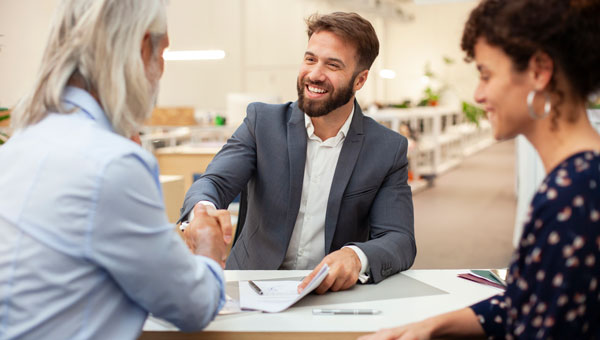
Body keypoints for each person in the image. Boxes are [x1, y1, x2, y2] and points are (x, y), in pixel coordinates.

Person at [359, 0, 600, 339]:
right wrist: (429, 327)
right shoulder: (579, 179)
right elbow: (522, 303)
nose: (478, 95)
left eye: (486, 75)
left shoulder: (572, 195)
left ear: (539, 71)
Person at [0, 0, 233, 339]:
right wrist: (210, 247)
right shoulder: (112, 163)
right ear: (142, 49)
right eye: (163, 52)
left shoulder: (20, 143)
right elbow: (192, 305)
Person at [180, 12, 416, 293]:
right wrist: (202, 213)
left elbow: (399, 238)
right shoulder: (262, 123)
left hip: (329, 294)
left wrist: (355, 256)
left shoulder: (387, 148)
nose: (315, 74)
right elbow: (214, 182)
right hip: (251, 283)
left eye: (332, 65)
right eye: (310, 59)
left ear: (360, 80)